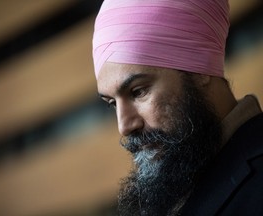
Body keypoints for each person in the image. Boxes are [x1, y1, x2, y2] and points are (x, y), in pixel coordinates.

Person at [92, 0, 263, 215]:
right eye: (112, 103)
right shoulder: (178, 183)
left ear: (200, 70)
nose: (124, 126)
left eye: (138, 92)